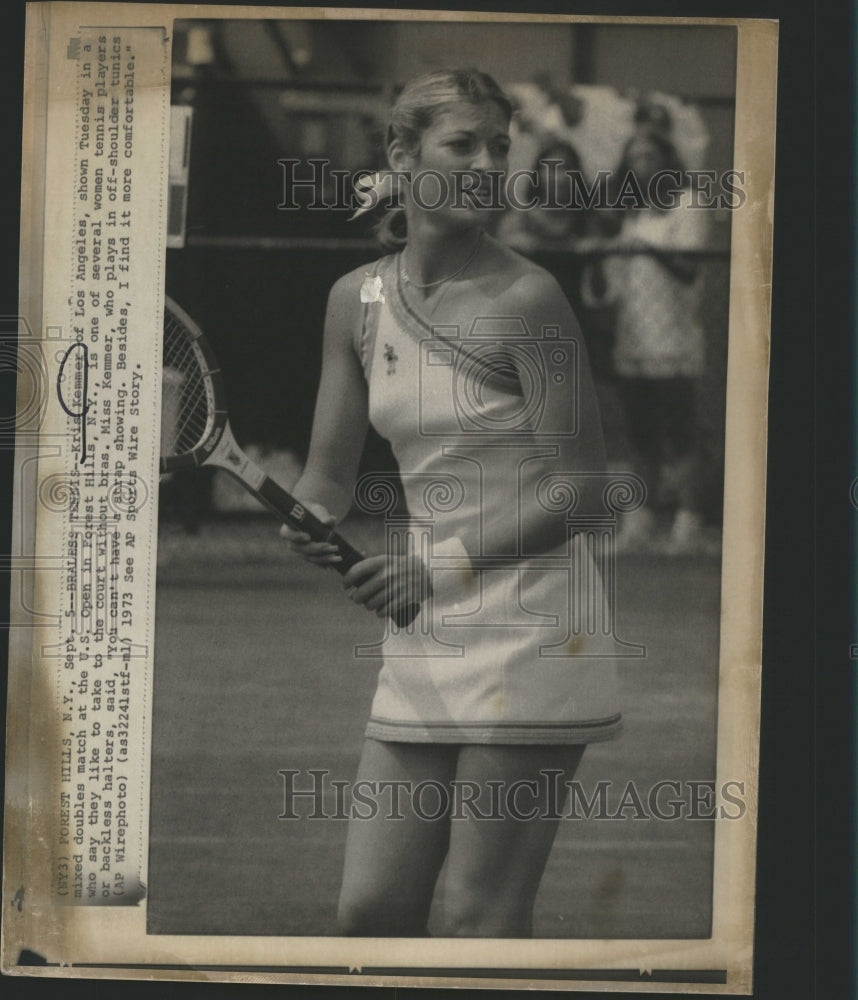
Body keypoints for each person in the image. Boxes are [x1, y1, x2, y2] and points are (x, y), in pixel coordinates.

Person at [282, 69, 621, 938]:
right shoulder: (352, 300)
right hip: (426, 624)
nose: (486, 164)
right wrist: (310, 518)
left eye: (499, 147)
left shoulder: (530, 299)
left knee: (480, 919)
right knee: (371, 912)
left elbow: (582, 490)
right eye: (461, 143)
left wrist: (434, 565)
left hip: (537, 622)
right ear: (402, 156)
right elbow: (327, 473)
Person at [596, 124, 710, 553]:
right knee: (638, 430)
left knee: (679, 430)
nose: (640, 164)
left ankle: (687, 522)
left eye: (648, 156)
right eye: (634, 157)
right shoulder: (631, 212)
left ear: (666, 161)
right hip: (633, 333)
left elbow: (689, 269)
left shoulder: (687, 203)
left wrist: (645, 246)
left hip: (674, 334)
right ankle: (638, 523)